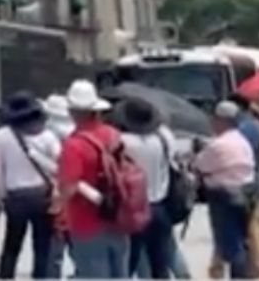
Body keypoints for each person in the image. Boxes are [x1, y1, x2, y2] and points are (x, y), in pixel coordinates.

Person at [56, 79, 129, 279]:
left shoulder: (73, 145)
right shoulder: (114, 136)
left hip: (86, 223)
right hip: (118, 217)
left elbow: (68, 187)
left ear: (73, 112)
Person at [0, 92, 62, 280]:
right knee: (42, 245)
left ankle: (5, 276)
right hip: (42, 195)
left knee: (12, 245)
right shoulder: (47, 135)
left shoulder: (1, 136)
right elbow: (60, 166)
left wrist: (2, 196)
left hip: (15, 197)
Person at [192, 101, 256, 279]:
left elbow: (200, 165)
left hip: (223, 195)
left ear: (221, 121)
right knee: (242, 240)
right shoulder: (242, 141)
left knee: (230, 244)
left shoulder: (218, 145)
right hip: (245, 192)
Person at [114, 97, 176, 279]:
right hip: (160, 206)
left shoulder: (123, 142)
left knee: (129, 262)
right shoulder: (162, 139)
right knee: (159, 263)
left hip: (134, 209)